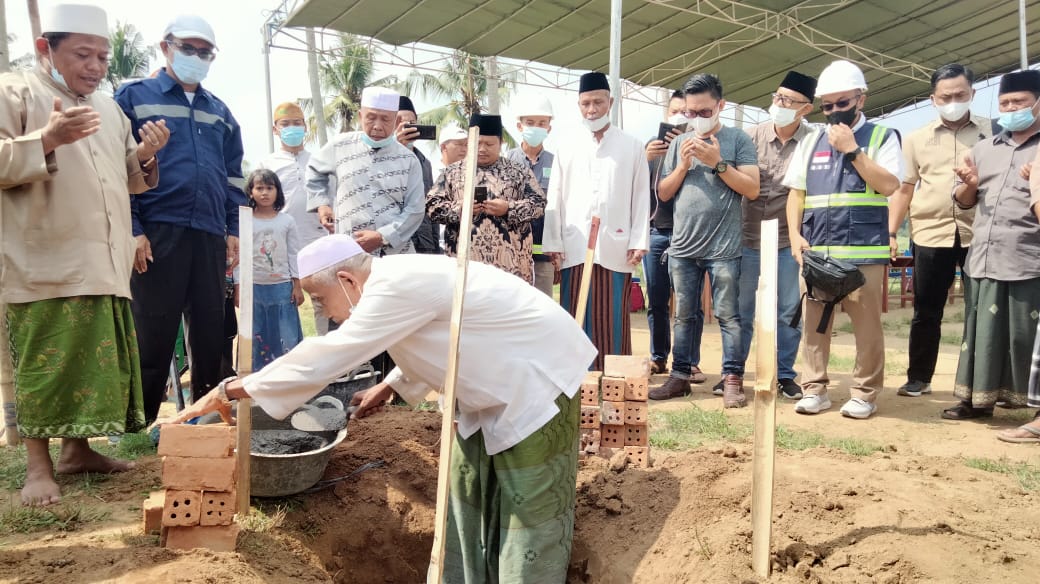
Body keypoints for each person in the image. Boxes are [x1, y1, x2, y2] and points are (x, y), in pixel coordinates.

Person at [163, 234, 596, 583]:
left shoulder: (392, 286)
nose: (323, 312)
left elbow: (331, 354)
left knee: (527, 507)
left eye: (320, 299)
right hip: (491, 392)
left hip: (536, 385)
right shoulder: (396, 280)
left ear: (348, 281)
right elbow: (437, 335)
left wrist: (234, 388)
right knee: (468, 489)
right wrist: (390, 386)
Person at [0, 3, 168, 506]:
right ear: (45, 49)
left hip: (102, 262)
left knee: (92, 364)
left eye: (102, 56)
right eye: (82, 54)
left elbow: (124, 177)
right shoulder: (14, 92)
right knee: (45, 364)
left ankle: (78, 452)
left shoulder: (110, 108)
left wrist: (143, 155)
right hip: (43, 258)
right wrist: (46, 139)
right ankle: (37, 467)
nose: (95, 66)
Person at [115, 14, 246, 423]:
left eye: (205, 52)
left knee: (211, 330)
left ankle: (206, 416)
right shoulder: (133, 97)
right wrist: (134, 230)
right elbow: (118, 168)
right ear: (166, 48)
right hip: (158, 230)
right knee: (153, 329)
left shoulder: (220, 111)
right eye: (188, 49)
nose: (196, 57)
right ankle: (139, 420)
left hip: (208, 233)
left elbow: (233, 177)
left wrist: (233, 230)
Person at [784, 60, 903, 420]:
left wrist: (853, 150)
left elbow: (889, 185)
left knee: (866, 325)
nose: (835, 112)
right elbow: (796, 195)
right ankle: (814, 389)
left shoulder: (883, 136)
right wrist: (794, 236)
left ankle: (865, 393)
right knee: (815, 324)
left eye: (843, 103)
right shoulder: (810, 142)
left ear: (860, 100)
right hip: (818, 250)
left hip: (863, 250)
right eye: (828, 105)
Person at [648, 74, 760, 408]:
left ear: (720, 106)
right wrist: (682, 166)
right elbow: (663, 194)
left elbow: (752, 189)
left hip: (724, 248)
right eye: (691, 113)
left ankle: (732, 379)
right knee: (683, 314)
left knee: (728, 315)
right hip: (683, 247)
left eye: (704, 111)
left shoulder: (738, 139)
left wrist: (718, 163)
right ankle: (680, 376)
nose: (696, 118)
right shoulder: (681, 141)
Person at [887, 64, 992, 398]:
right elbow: (904, 189)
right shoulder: (917, 139)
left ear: (973, 94)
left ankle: (982, 383)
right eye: (945, 96)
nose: (953, 101)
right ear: (933, 99)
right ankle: (919, 377)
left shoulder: (994, 133)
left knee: (983, 312)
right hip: (931, 234)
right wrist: (891, 233)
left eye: (960, 95)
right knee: (926, 311)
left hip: (982, 233)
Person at [943, 69, 1040, 428]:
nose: (1012, 108)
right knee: (979, 333)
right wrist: (969, 184)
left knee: (1023, 335)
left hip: (1029, 259)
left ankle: (1031, 406)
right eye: (1005, 103)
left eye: (1020, 102)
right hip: (983, 257)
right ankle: (975, 401)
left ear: (1038, 104)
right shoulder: (983, 149)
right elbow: (963, 201)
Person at [543, 71, 651, 371]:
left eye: (598, 103)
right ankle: (575, 378)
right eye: (586, 103)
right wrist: (553, 242)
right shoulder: (567, 145)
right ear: (579, 105)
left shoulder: (631, 146)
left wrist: (639, 240)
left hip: (616, 242)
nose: (592, 110)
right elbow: (556, 196)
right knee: (575, 311)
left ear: (610, 103)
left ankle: (613, 377)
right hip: (574, 243)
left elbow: (642, 197)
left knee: (612, 313)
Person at [739, 71, 819, 401]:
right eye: (777, 98)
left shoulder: (814, 142)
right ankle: (733, 373)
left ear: (806, 109)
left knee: (789, 310)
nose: (779, 104)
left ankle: (785, 374)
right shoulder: (750, 137)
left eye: (787, 101)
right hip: (748, 236)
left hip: (789, 240)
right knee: (741, 309)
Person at [307, 86, 425, 256]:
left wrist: (382, 237)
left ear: (395, 121)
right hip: (349, 250)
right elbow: (314, 170)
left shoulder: (409, 160)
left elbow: (415, 209)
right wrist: (322, 204)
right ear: (360, 116)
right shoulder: (340, 145)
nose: (377, 126)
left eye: (385, 119)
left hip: (395, 255)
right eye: (371, 118)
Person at [428, 114, 546, 283]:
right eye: (478, 143)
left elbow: (539, 204)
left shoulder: (519, 172)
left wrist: (509, 208)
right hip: (464, 268)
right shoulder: (452, 172)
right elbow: (432, 207)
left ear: (500, 143)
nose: (482, 149)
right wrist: (460, 210)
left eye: (489, 144)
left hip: (512, 269)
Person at [258, 102, 329, 334]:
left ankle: (327, 354)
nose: (292, 128)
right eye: (285, 124)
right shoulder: (267, 164)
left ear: (305, 126)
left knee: (324, 300)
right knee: (284, 301)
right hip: (281, 244)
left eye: (297, 123)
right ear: (275, 129)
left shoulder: (320, 160)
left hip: (317, 238)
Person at [643, 90, 691, 376]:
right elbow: (635, 183)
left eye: (685, 112)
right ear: (666, 115)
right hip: (657, 230)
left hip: (688, 234)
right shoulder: (652, 147)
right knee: (657, 299)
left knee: (687, 301)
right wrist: (644, 158)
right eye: (675, 112)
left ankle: (688, 361)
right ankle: (658, 355)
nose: (679, 117)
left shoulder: (700, 146)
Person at [244, 169, 304, 370]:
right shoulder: (245, 220)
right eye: (259, 188)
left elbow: (293, 254)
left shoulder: (287, 221)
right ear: (250, 192)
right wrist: (239, 288)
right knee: (257, 335)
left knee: (286, 336)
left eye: (269, 188)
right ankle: (257, 379)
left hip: (281, 288)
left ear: (277, 191)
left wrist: (297, 285)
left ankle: (289, 375)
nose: (264, 193)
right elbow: (239, 256)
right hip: (253, 288)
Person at [505, 95, 557, 296]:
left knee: (542, 307)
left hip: (543, 255)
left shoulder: (556, 163)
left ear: (549, 128)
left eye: (542, 123)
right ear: (520, 126)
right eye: (530, 123)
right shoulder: (506, 161)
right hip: (512, 252)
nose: (536, 127)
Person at [396, 95, 441, 254]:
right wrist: (397, 148)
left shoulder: (425, 162)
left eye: (410, 123)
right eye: (400, 123)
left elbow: (430, 203)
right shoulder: (382, 158)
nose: (405, 127)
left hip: (425, 242)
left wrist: (435, 243)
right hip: (397, 242)